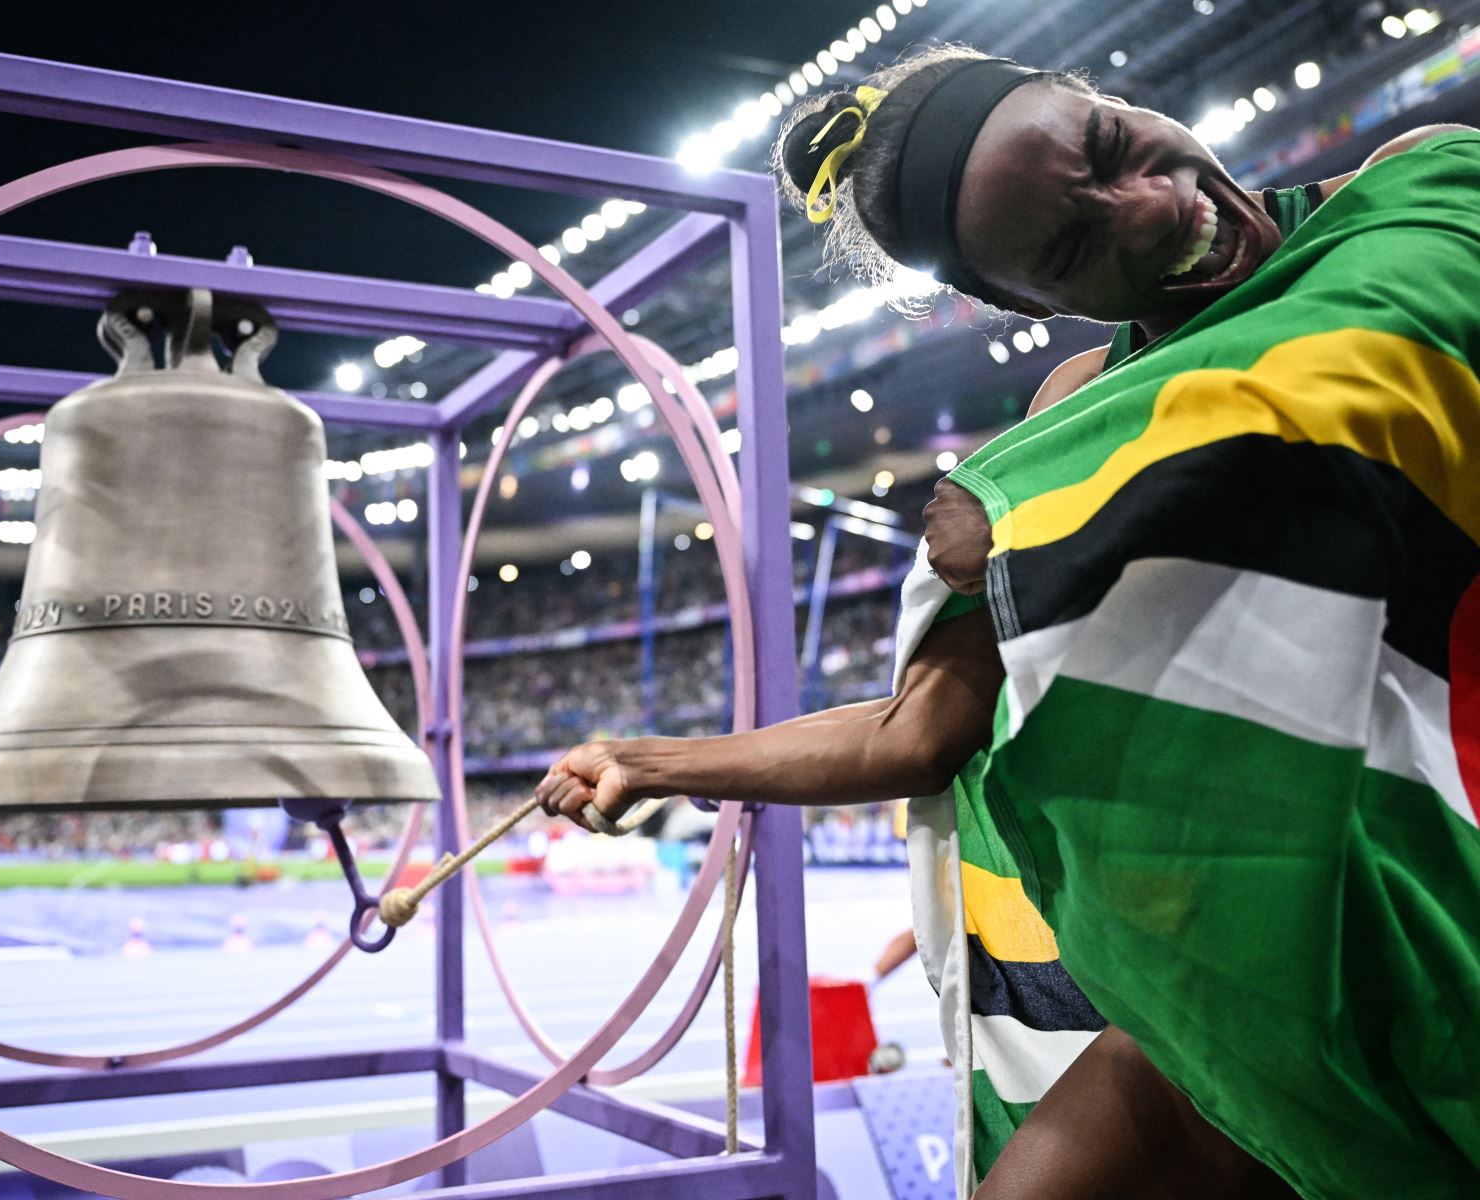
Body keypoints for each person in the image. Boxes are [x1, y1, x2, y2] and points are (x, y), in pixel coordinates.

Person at [538, 43, 1468, 1199]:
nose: (1159, 207)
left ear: (1115, 98)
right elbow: (920, 731)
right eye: (1076, 246)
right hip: (1250, 972)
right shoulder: (1072, 419)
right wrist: (654, 759)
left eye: (1116, 148)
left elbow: (1381, 334)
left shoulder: (1422, 188)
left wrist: (1044, 513)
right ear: (1033, 304)